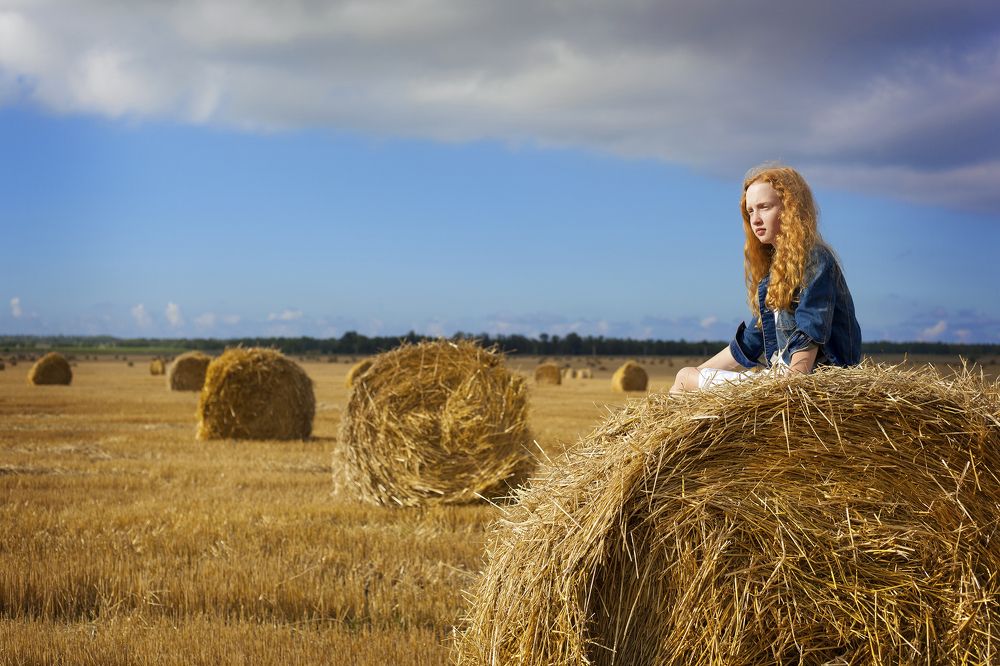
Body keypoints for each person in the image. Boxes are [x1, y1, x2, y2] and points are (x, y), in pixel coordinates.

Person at [670, 164, 861, 393]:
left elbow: (810, 335)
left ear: (791, 209)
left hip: (811, 386)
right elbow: (747, 345)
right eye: (750, 211)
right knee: (685, 378)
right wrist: (692, 378)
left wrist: (790, 386)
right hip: (780, 381)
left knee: (685, 377)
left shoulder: (814, 259)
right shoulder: (774, 277)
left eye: (764, 207)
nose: (755, 219)